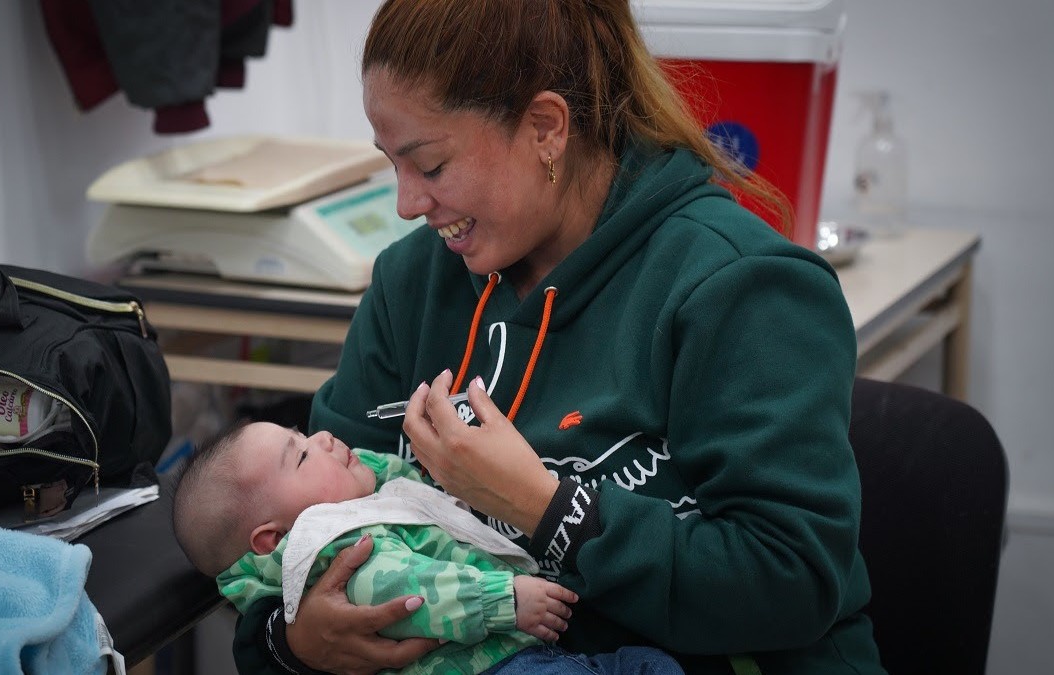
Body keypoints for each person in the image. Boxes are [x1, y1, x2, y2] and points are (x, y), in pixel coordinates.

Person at [234, 0, 888, 674]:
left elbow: (790, 581)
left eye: (429, 166)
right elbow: (289, 544)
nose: (406, 204)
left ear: (546, 128)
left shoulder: (740, 287)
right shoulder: (411, 287)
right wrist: (294, 641)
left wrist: (546, 508)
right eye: (391, 164)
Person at [172, 420, 686, 675]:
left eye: (303, 433)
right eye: (302, 456)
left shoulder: (357, 502)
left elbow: (399, 480)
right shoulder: (338, 551)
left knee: (649, 665)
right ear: (274, 538)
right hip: (489, 666)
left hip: (538, 654)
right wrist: (503, 600)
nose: (324, 436)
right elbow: (413, 593)